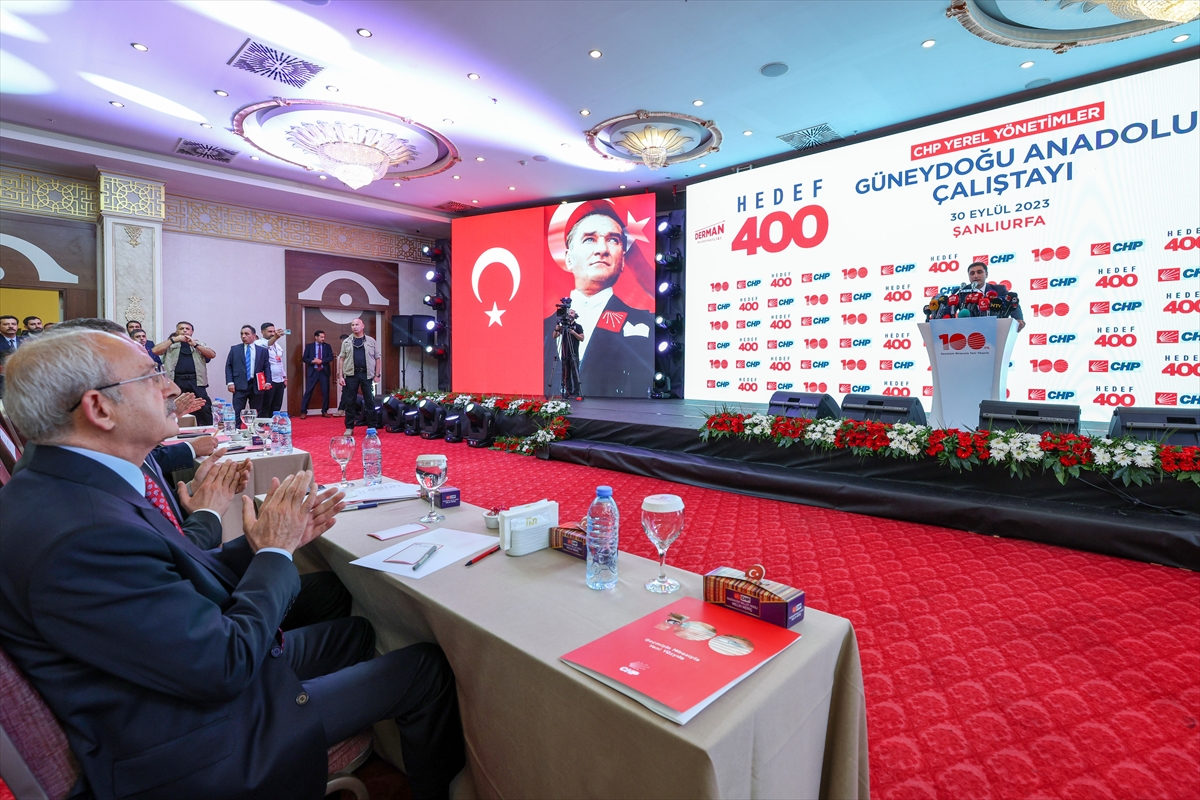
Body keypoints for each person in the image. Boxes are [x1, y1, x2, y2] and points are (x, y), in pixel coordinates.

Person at [0, 330, 465, 799]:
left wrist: (262, 543)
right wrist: (275, 552)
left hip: (177, 682)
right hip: (205, 743)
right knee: (424, 668)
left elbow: (170, 573)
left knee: (358, 629)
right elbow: (226, 664)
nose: (170, 387)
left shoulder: (67, 484)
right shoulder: (83, 532)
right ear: (99, 409)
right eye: (150, 377)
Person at [543, 201, 654, 397]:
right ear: (568, 258)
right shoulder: (542, 328)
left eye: (613, 240)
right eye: (589, 239)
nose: (602, 249)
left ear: (623, 260)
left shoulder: (646, 323)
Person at [154, 321, 216, 425]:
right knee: (175, 406)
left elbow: (212, 355)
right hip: (176, 381)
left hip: (196, 381)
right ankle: (174, 428)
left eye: (187, 329)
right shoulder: (170, 345)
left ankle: (207, 428)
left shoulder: (199, 344)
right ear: (177, 331)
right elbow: (155, 351)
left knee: (203, 407)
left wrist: (195, 345)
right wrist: (173, 340)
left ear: (192, 332)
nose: (184, 331)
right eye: (181, 329)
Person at [336, 318, 381, 434]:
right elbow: (341, 359)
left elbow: (377, 358)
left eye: (357, 324)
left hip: (367, 374)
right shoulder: (347, 342)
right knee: (350, 401)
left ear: (362, 326)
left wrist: (377, 374)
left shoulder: (371, 341)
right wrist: (341, 376)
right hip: (351, 374)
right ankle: (349, 427)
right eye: (352, 325)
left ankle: (372, 426)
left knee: (369, 401)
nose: (354, 327)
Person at [225, 325, 270, 418]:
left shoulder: (262, 351)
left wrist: (268, 381)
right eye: (241, 334)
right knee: (237, 411)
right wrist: (230, 382)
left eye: (246, 334)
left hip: (256, 385)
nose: (243, 336)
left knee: (256, 411)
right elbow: (228, 366)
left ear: (254, 335)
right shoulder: (235, 349)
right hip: (239, 384)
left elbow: (267, 367)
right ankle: (236, 427)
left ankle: (255, 427)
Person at [967, 261, 1025, 332]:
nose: (976, 276)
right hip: (969, 330)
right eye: (972, 273)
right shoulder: (962, 292)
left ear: (986, 274)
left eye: (979, 272)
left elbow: (1012, 303)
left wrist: (1018, 319)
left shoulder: (999, 290)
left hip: (996, 330)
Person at [301, 329, 335, 419]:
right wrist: (313, 361)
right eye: (321, 337)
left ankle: (324, 411)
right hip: (313, 371)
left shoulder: (327, 346)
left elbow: (331, 357)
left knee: (325, 392)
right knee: (308, 391)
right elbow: (304, 358)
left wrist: (321, 361)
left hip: (324, 372)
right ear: (316, 337)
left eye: (324, 337)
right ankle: (303, 411)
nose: (323, 339)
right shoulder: (309, 346)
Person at [255, 322, 287, 414]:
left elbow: (279, 362)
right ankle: (264, 422)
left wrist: (284, 377)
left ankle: (274, 421)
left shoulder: (277, 345)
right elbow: (268, 344)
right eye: (270, 331)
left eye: (274, 331)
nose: (272, 334)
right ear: (262, 332)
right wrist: (276, 337)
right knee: (266, 405)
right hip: (268, 379)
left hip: (279, 379)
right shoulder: (258, 343)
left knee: (277, 405)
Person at [553, 309, 584, 397]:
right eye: (568, 313)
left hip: (574, 354)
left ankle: (576, 393)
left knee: (575, 374)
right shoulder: (563, 327)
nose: (570, 314)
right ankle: (568, 392)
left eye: (572, 313)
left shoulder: (578, 326)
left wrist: (573, 333)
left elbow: (582, 338)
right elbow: (554, 336)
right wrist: (556, 329)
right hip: (565, 354)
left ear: (575, 315)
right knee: (566, 374)